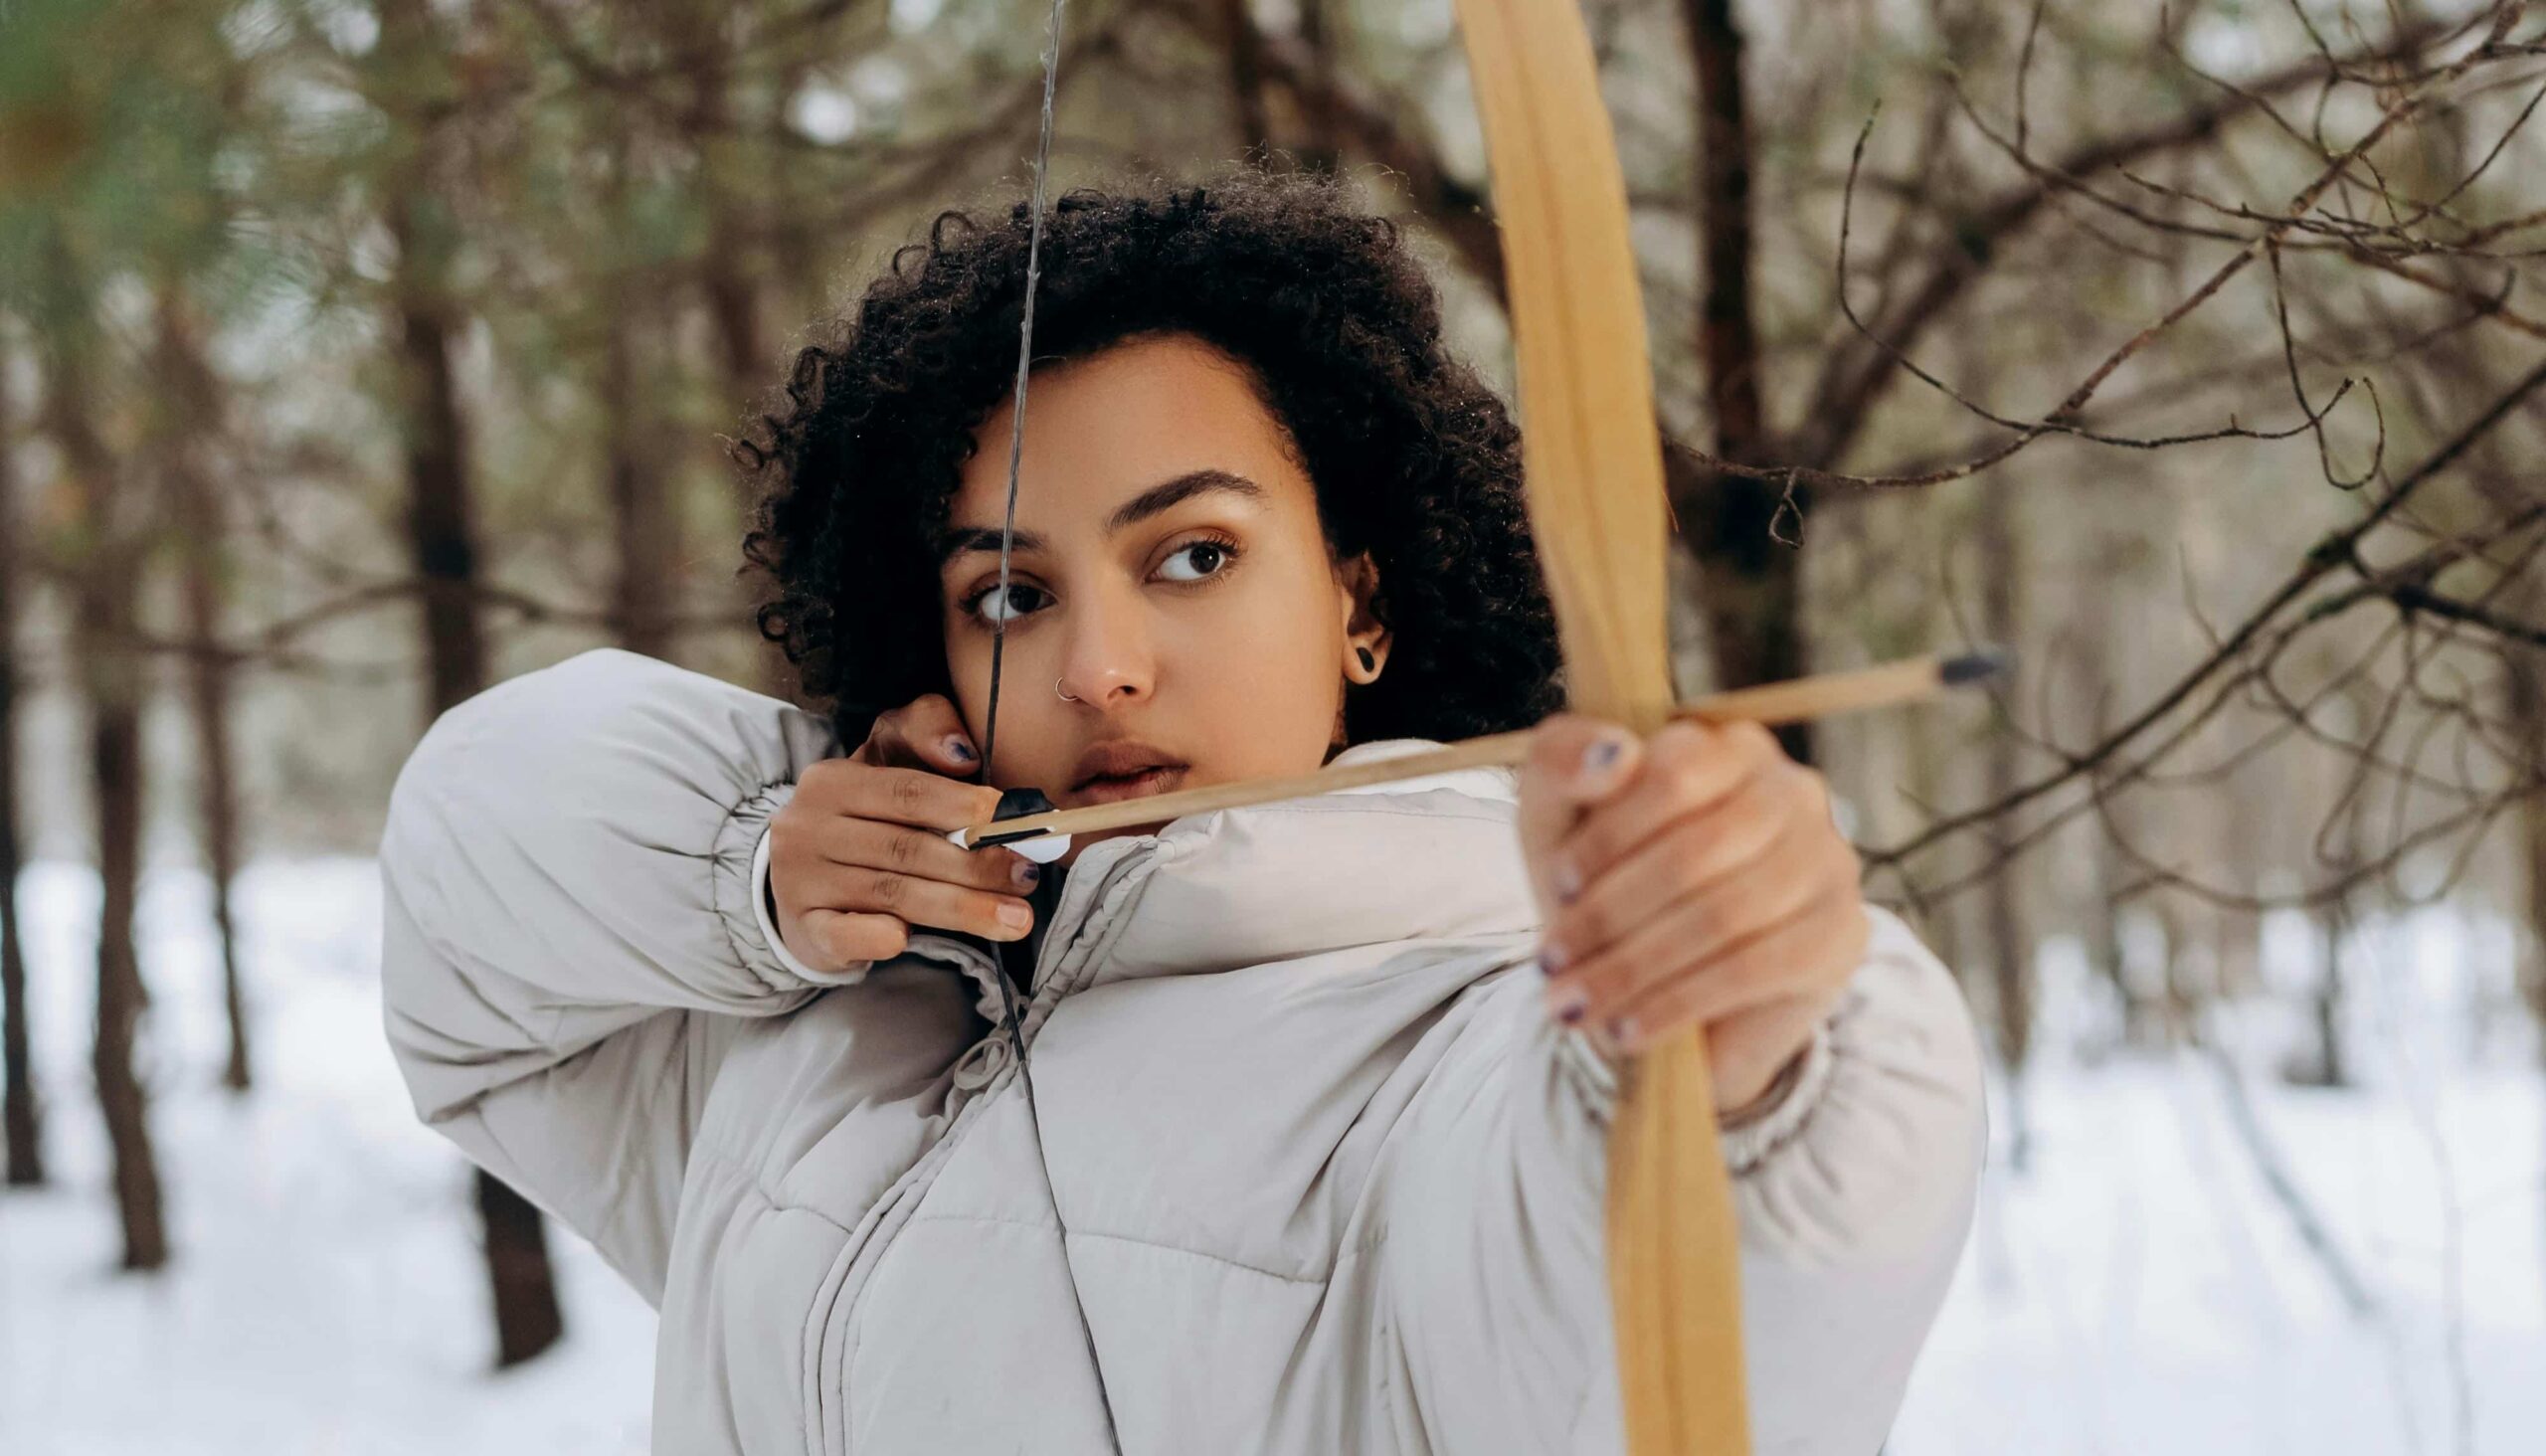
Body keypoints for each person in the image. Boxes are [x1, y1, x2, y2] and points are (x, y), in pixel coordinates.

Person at [380, 172, 1985, 1455]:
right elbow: (470, 911)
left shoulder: (1461, 1051)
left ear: (1362, 598)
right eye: (1007, 592)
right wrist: (754, 861)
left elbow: (1676, 1311)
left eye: (1195, 557)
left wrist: (1749, 1030)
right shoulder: (809, 1042)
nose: (1101, 669)